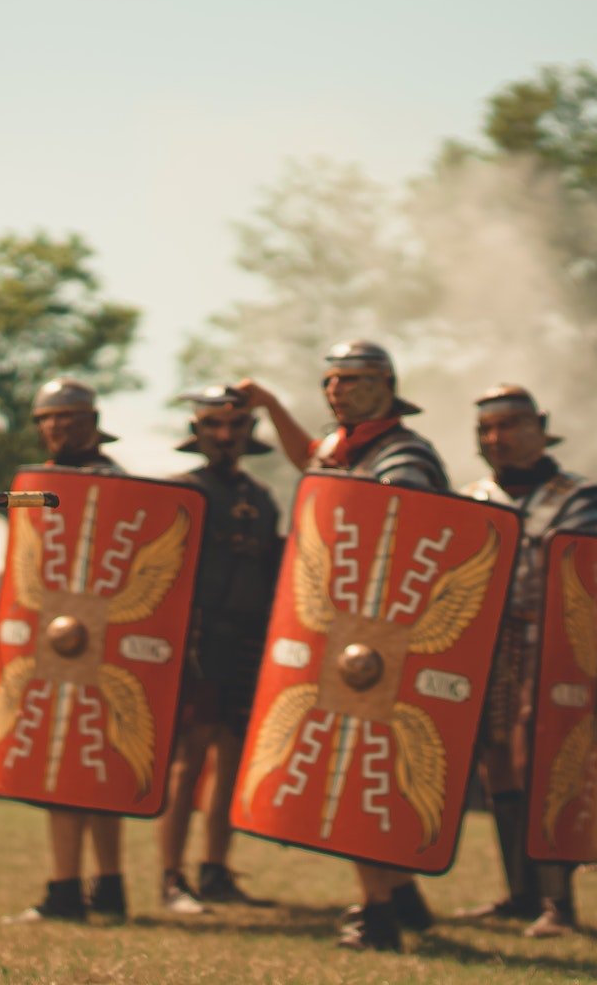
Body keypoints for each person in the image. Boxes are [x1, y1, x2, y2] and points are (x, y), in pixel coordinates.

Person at [238, 339, 447, 953]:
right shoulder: (344, 448)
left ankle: (377, 911)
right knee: (357, 764)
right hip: (348, 635)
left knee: (363, 770)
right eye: (331, 381)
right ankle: (400, 895)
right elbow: (312, 460)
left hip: (389, 639)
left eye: (352, 380)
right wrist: (270, 403)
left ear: (387, 387)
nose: (337, 390)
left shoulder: (404, 457)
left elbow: (409, 538)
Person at [453, 385, 597, 938]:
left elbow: (586, 574)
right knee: (497, 765)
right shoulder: (472, 497)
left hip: (554, 646)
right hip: (489, 647)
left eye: (510, 425)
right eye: (487, 429)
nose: (498, 438)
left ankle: (558, 903)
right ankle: (520, 895)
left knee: (545, 765)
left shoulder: (579, 496)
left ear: (540, 428)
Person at [8, 377, 133, 925]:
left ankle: (69, 891)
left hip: (100, 640)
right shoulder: (40, 482)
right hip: (55, 638)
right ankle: (107, 889)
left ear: (92, 423)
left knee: (74, 764)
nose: (57, 426)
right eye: (48, 418)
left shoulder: (117, 483)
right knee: (83, 762)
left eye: (68, 417)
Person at [157, 385, 283, 915]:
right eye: (214, 424)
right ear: (198, 431)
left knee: (232, 755)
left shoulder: (264, 499)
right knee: (189, 759)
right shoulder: (180, 492)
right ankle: (172, 877)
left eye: (235, 425)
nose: (225, 435)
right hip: (197, 637)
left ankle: (215, 870)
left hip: (249, 639)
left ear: (250, 433)